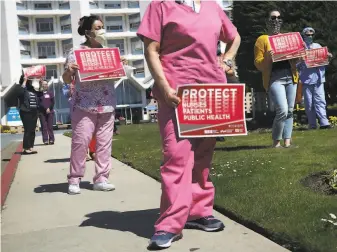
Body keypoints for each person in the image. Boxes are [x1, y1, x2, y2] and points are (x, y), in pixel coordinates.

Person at [137, 0, 241, 248]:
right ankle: (170, 224)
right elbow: (151, 49)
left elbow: (234, 36)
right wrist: (162, 85)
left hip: (211, 88)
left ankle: (199, 211)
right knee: (176, 155)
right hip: (176, 90)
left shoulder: (211, 6)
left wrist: (226, 59)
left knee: (204, 154)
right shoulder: (160, 6)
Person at [62, 15, 117, 195]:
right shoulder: (75, 52)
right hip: (84, 104)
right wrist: (69, 71)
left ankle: (102, 178)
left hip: (107, 104)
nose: (101, 30)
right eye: (97, 27)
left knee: (104, 144)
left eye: (102, 26)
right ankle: (74, 179)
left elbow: (115, 76)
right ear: (87, 31)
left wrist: (120, 66)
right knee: (80, 142)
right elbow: (66, 79)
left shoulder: (108, 52)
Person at [254, 10, 299, 148]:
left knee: (290, 110)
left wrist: (298, 56)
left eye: (279, 18)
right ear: (268, 21)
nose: (276, 20)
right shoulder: (262, 39)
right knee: (283, 110)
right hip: (275, 78)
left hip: (290, 77)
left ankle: (287, 141)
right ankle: (276, 142)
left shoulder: (287, 38)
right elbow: (258, 64)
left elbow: (296, 60)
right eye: (273, 17)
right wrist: (267, 57)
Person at [296, 27, 333, 129]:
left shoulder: (317, 46)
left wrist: (328, 56)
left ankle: (324, 123)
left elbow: (324, 59)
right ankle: (312, 124)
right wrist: (301, 60)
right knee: (309, 103)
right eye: (308, 35)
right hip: (307, 79)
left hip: (319, 78)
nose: (310, 37)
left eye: (312, 35)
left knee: (320, 101)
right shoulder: (300, 49)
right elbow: (295, 65)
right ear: (303, 35)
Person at [13, 74, 41, 154]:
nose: (30, 81)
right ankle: (26, 148)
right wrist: (24, 81)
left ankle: (31, 147)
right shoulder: (20, 87)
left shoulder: (31, 89)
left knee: (32, 130)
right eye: (29, 79)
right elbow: (20, 93)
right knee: (28, 129)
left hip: (34, 111)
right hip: (25, 112)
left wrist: (40, 83)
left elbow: (40, 94)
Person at [38, 80, 55, 144]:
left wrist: (49, 108)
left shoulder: (50, 93)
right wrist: (45, 108)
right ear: (41, 85)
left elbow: (53, 102)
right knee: (44, 127)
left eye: (46, 84)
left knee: (50, 126)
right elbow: (39, 103)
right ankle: (45, 140)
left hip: (50, 112)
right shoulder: (39, 94)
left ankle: (51, 139)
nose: (45, 85)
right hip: (42, 113)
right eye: (44, 84)